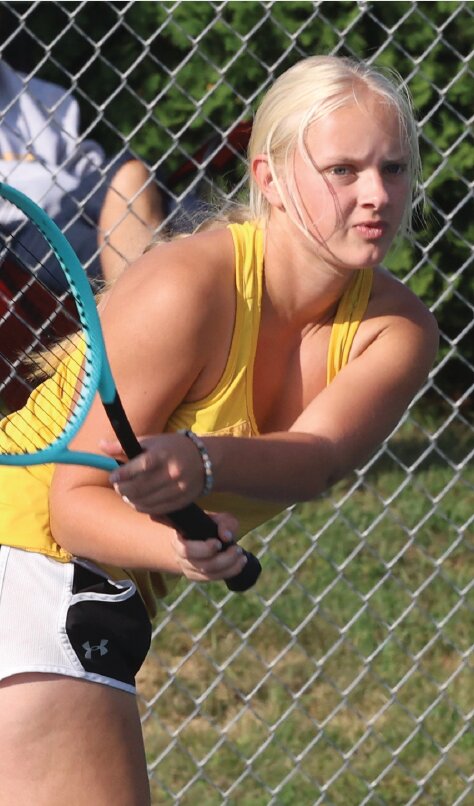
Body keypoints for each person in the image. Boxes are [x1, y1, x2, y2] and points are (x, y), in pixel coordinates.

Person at [0, 55, 438, 805]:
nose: (376, 196)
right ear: (267, 177)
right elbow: (73, 507)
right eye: (342, 170)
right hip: (29, 559)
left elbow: (316, 460)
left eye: (393, 168)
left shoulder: (395, 328)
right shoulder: (186, 286)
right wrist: (177, 543)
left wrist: (198, 465)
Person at [0, 59, 164, 285]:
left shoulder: (43, 95)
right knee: (136, 193)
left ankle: (142, 296)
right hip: (20, 230)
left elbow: (85, 166)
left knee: (132, 173)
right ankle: (142, 295)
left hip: (79, 200)